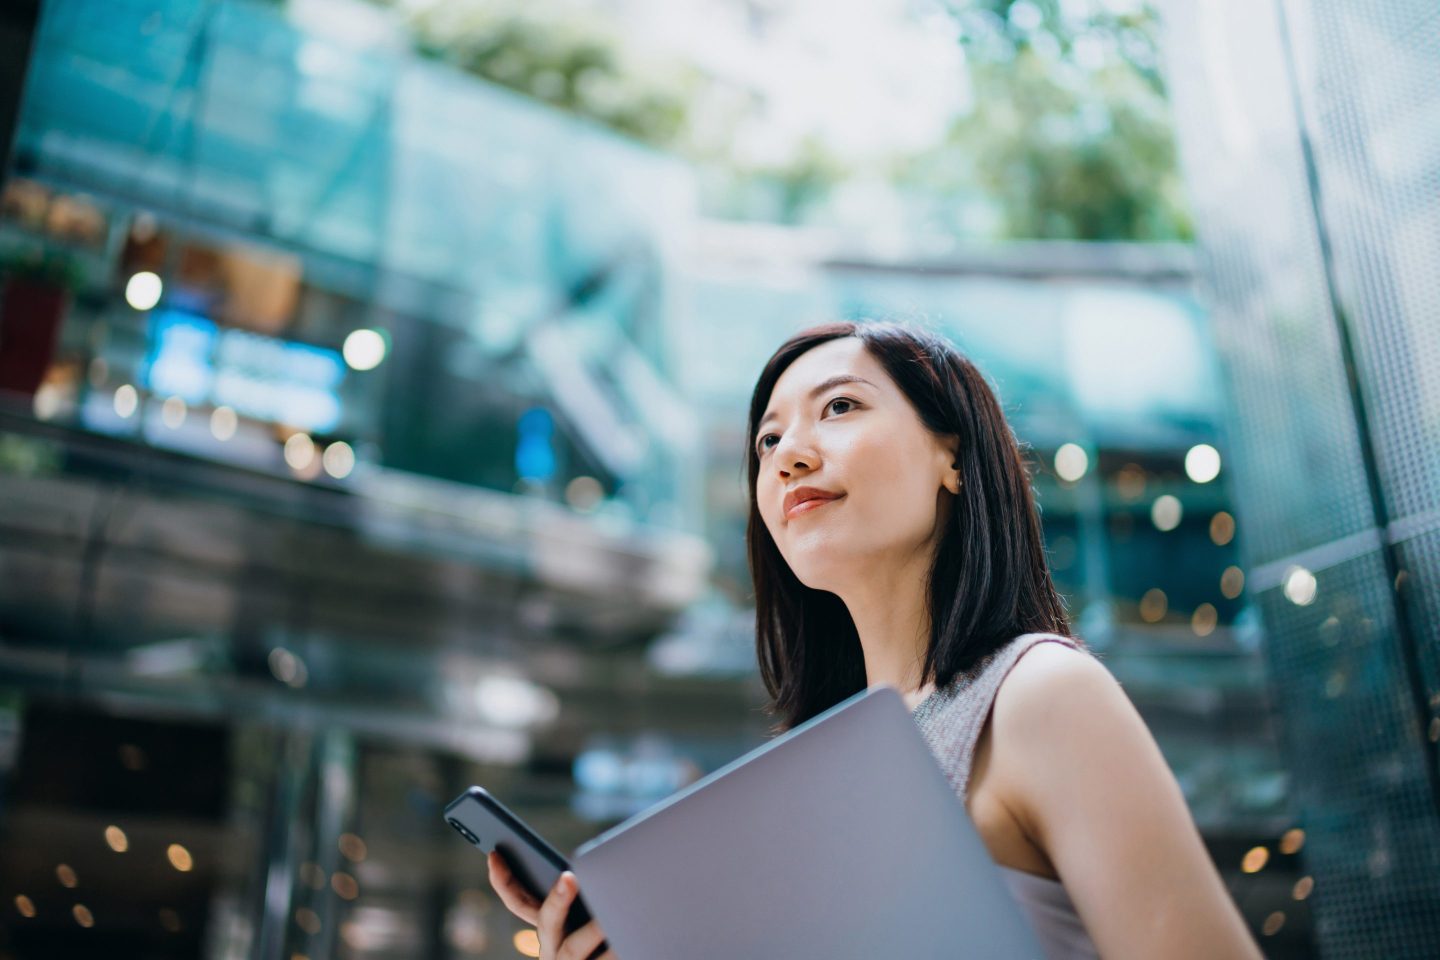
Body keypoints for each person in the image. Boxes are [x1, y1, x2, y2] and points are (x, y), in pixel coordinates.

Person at [489, 321, 1263, 959]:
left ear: (951, 457)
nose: (787, 454)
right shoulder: (814, 784)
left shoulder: (1039, 694)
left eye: (839, 409)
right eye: (766, 442)